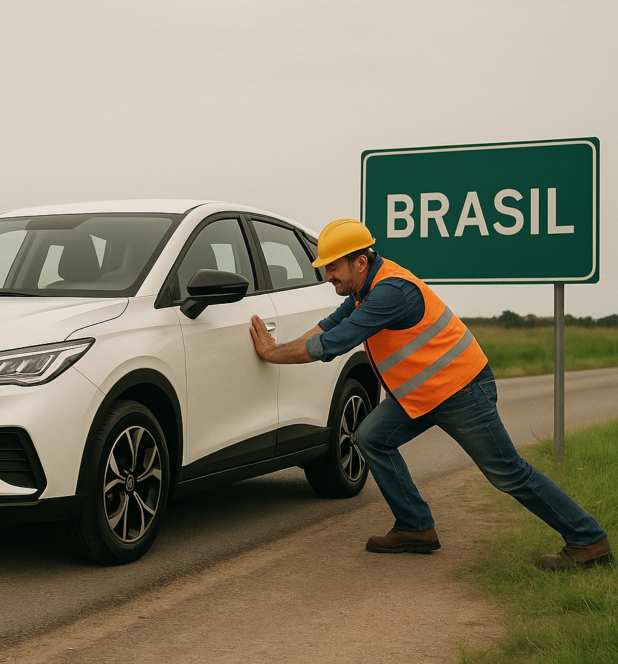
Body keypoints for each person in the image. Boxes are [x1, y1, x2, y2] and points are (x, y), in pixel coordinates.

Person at [248, 218, 610, 570]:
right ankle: (415, 528)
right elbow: (329, 325)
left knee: (508, 473)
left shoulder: (390, 292)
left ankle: (587, 540)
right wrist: (280, 345)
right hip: (421, 395)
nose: (327, 277)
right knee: (372, 437)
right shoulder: (363, 288)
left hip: (461, 390)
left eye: (332, 268)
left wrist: (273, 355)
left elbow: (331, 343)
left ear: (360, 261)